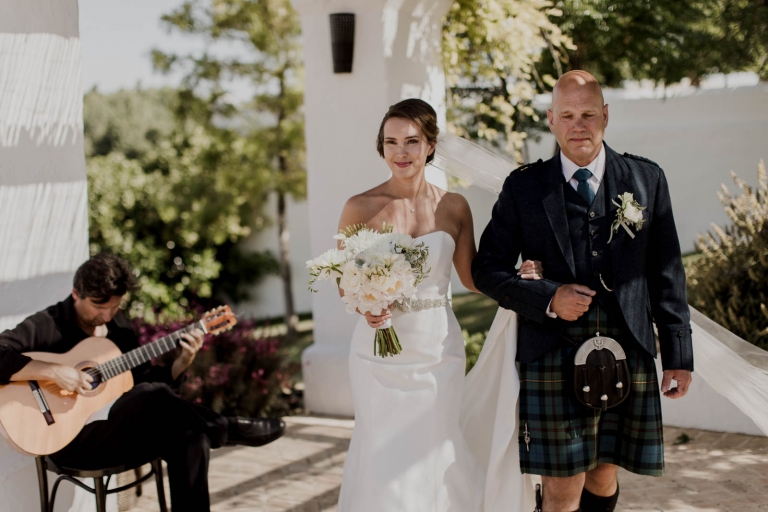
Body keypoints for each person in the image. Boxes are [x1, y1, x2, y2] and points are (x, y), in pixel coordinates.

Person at [472, 70, 693, 512]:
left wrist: (678, 355)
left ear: (605, 116)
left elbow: (667, 272)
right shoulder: (524, 186)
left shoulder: (646, 179)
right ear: (551, 120)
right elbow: (486, 269)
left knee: (604, 474)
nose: (579, 125)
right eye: (568, 115)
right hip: (552, 347)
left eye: (588, 114)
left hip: (628, 342)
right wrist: (548, 298)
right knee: (562, 487)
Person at [334, 98, 542, 511]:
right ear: (381, 147)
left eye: (412, 141)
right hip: (377, 353)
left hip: (437, 350)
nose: (401, 152)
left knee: (435, 447)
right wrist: (366, 305)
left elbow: (471, 278)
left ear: (430, 145)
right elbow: (344, 282)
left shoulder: (453, 206)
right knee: (381, 451)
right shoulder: (359, 206)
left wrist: (517, 280)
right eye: (391, 142)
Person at [0, 253, 285, 512]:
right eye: (98, 306)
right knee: (159, 400)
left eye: (114, 307)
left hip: (118, 433)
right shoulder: (47, 324)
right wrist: (53, 372)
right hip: (73, 444)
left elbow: (147, 385)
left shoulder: (118, 327)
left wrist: (182, 361)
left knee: (190, 434)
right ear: (76, 293)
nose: (106, 315)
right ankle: (227, 427)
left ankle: (216, 430)